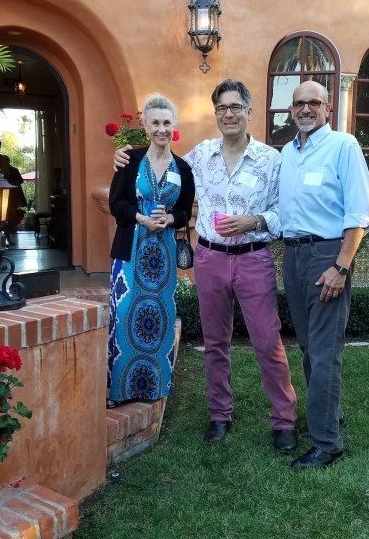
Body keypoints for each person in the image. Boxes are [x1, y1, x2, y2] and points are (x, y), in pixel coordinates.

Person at [116, 80, 298, 454]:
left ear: (248, 111)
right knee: (215, 342)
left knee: (268, 342)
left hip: (254, 258)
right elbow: (160, 159)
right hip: (210, 258)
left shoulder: (271, 159)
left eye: (235, 107)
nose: (228, 114)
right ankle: (219, 413)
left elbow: (286, 212)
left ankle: (284, 420)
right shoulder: (200, 156)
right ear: (216, 114)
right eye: (221, 108)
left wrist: (254, 220)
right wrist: (125, 156)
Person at [280, 80, 369, 470]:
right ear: (291, 109)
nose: (305, 109)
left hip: (326, 255)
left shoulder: (343, 146)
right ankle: (326, 416)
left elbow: (358, 215)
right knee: (307, 346)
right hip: (293, 255)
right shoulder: (287, 153)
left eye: (313, 103)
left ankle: (327, 443)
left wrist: (341, 266)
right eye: (299, 103)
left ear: (328, 108)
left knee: (323, 352)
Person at [107, 94, 195, 405]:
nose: (161, 129)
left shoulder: (183, 168)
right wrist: (141, 218)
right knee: (123, 316)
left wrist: (170, 218)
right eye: (155, 122)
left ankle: (152, 387)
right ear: (145, 126)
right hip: (130, 253)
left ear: (174, 126)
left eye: (166, 122)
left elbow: (185, 211)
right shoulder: (128, 160)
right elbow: (115, 203)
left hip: (163, 257)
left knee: (158, 318)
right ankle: (119, 391)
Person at [0, 139, 26, 242]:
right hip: (5, 193)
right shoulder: (2, 159)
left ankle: (0, 233)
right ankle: (4, 232)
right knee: (8, 213)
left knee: (2, 213)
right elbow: (6, 175)